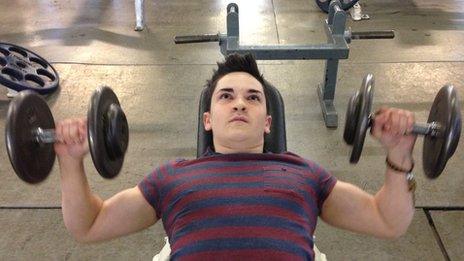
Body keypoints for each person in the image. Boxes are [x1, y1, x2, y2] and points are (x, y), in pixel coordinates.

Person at [56, 53, 416, 260]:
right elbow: (89, 225)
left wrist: (399, 152)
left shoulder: (304, 173)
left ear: (267, 122)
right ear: (208, 120)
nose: (240, 102)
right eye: (226, 96)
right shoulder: (171, 176)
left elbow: (387, 221)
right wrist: (70, 161)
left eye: (253, 97)